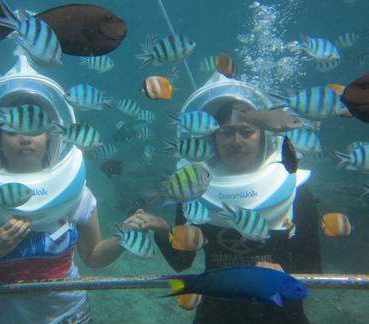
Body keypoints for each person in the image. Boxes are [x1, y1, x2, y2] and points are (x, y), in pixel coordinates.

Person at [125, 73, 322, 324]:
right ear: (213, 138)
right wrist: (163, 230)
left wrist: (287, 276)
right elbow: (181, 262)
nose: (236, 141)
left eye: (246, 132)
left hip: (281, 314)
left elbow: (314, 272)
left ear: (264, 136)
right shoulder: (196, 188)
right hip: (217, 312)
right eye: (226, 133)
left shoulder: (294, 187)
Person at [0, 55, 124, 323]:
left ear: (51, 136)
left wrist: (127, 237)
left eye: (34, 128)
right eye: (12, 130)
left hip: (71, 316)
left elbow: (93, 257)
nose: (25, 138)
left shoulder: (76, 191)